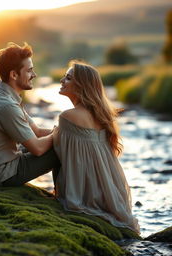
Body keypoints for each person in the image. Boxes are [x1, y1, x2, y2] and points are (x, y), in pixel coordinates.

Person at [53, 60, 140, 233]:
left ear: (81, 86)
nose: (62, 80)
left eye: (68, 78)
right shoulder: (101, 116)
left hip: (86, 193)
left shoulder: (68, 116)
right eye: (64, 76)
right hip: (110, 193)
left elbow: (56, 150)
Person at [0, 42, 60, 187]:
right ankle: (65, 198)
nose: (34, 75)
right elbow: (38, 149)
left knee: (62, 140)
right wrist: (60, 133)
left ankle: (62, 194)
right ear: (14, 74)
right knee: (61, 151)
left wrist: (62, 132)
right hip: (2, 174)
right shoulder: (6, 105)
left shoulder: (4, 94)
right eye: (29, 71)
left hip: (0, 165)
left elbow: (38, 132)